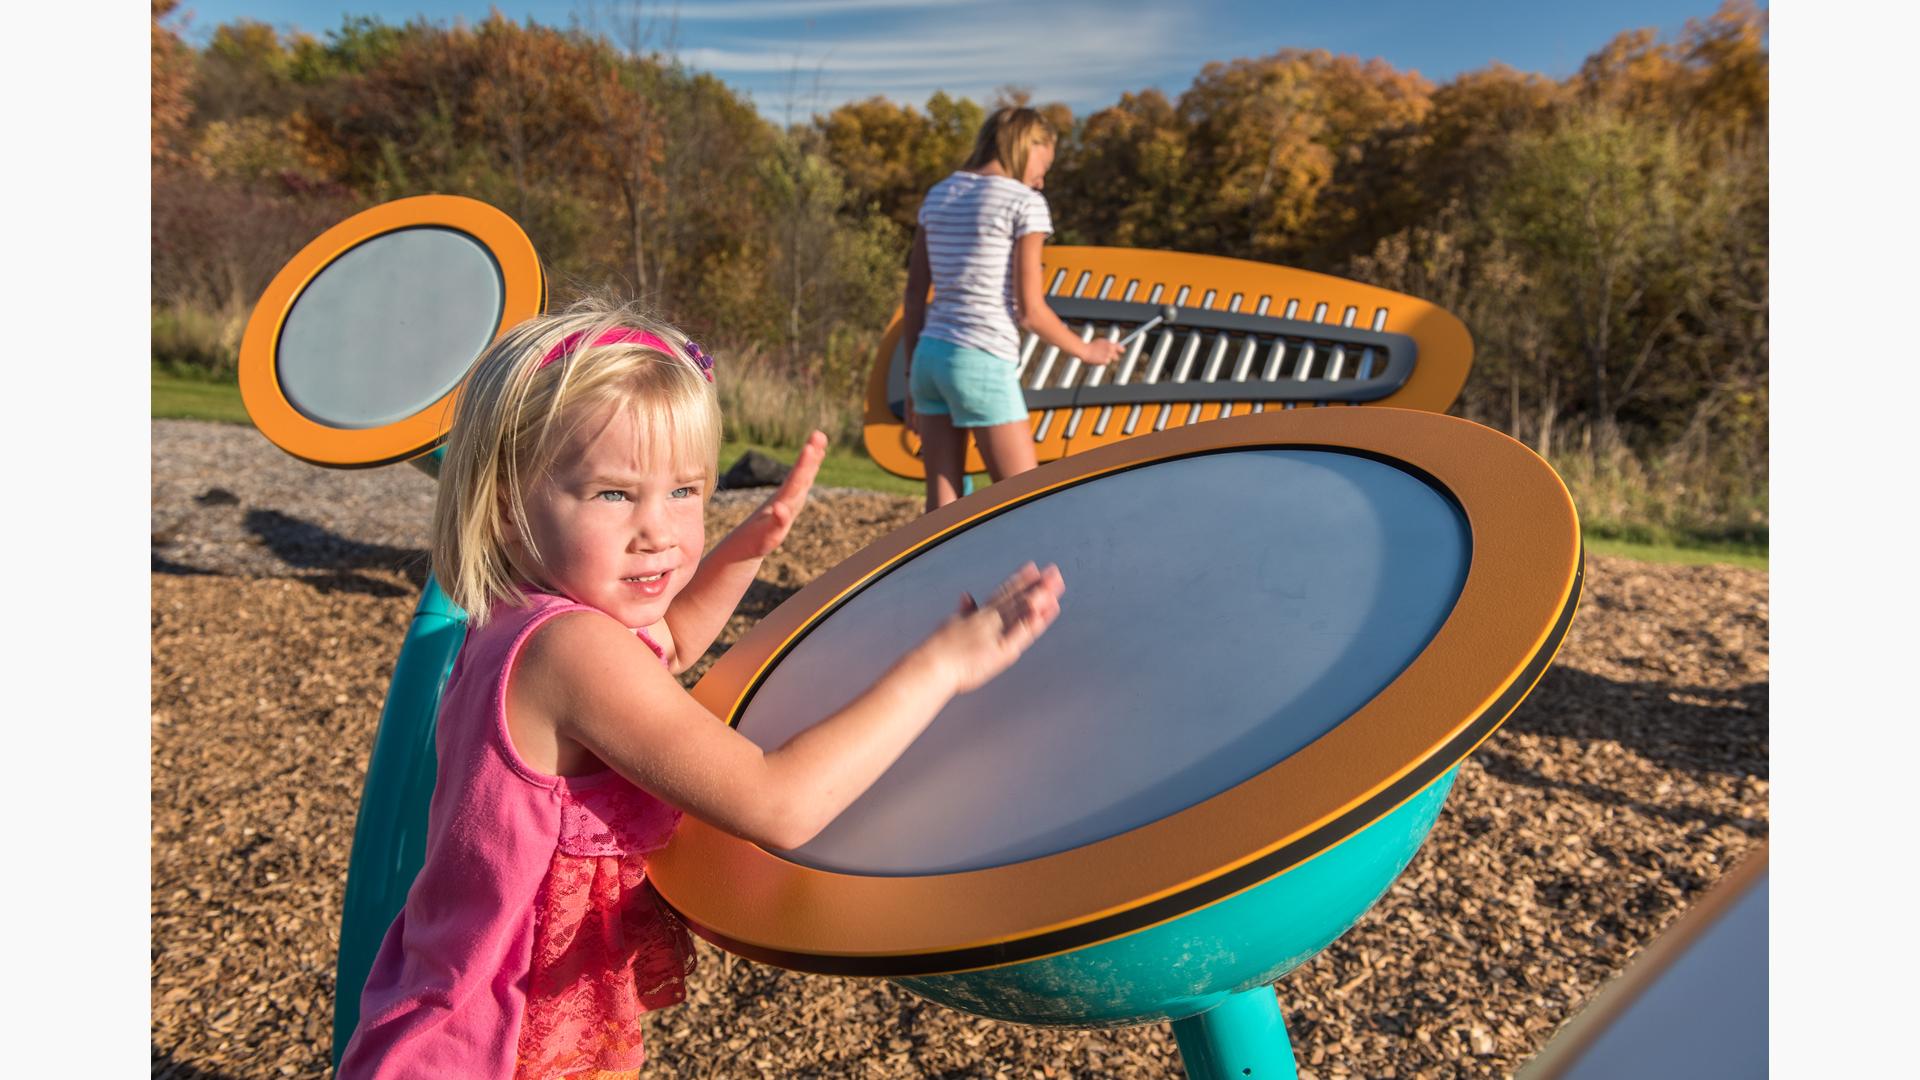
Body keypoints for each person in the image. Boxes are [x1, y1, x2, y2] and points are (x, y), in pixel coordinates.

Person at [336, 300, 1065, 1079]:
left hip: (474, 1014)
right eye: (614, 494)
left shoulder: (530, 611)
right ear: (508, 507)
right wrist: (940, 668)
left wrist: (740, 552)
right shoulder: (571, 650)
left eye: (685, 492)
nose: (660, 530)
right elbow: (778, 803)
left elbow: (671, 644)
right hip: (482, 1051)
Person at [901, 106, 1124, 512]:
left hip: (928, 359)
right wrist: (1088, 351)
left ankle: (947, 578)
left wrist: (909, 377)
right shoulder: (1023, 203)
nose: (1043, 178)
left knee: (941, 509)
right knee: (1026, 506)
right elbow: (1030, 312)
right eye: (1045, 163)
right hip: (981, 361)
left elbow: (915, 295)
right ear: (1027, 145)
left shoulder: (941, 193)